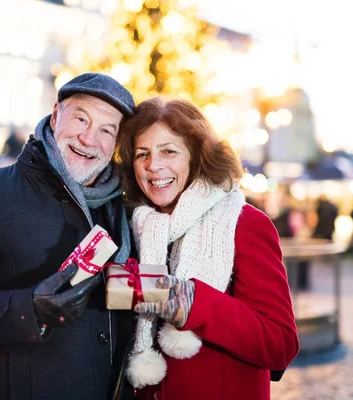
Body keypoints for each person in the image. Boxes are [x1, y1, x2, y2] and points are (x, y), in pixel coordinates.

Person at [0, 73, 137, 400]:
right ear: (56, 114)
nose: (89, 139)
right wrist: (29, 309)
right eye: (81, 119)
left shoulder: (123, 207)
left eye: (106, 130)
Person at [117, 97, 299, 400]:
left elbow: (280, 345)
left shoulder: (244, 224)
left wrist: (189, 301)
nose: (154, 165)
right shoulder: (133, 225)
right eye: (142, 154)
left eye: (169, 151)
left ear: (197, 156)